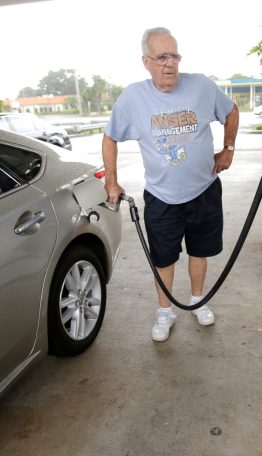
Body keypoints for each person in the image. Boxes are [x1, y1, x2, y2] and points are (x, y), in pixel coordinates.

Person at [102, 27, 239, 342]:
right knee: (163, 257)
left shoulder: (201, 87)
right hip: (162, 197)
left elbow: (231, 111)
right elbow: (110, 137)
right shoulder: (133, 98)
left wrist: (228, 149)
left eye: (174, 55)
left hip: (204, 190)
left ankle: (198, 299)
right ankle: (165, 311)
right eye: (161, 57)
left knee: (200, 251)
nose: (170, 63)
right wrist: (112, 180)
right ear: (146, 62)